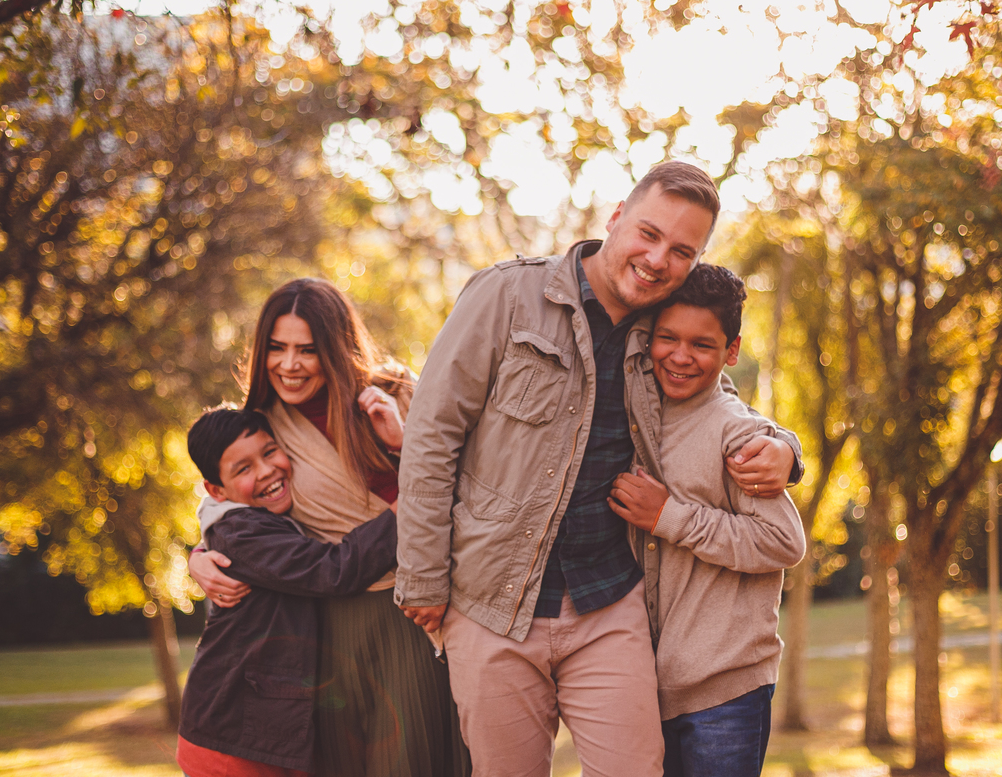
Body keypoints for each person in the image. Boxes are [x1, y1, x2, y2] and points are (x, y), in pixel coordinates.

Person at [394, 161, 802, 777]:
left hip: (608, 602)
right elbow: (432, 434)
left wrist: (786, 450)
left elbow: (716, 400)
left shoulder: (659, 324)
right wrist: (423, 577)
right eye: (649, 234)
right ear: (616, 218)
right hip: (492, 601)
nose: (658, 259)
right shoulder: (507, 295)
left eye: (682, 251)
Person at [188, 279, 468, 777]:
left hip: (419, 609)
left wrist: (403, 444)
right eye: (277, 348)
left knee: (420, 760)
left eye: (307, 349)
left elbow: (468, 482)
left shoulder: (396, 392)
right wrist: (197, 555)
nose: (289, 365)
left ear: (336, 347)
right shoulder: (264, 424)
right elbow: (229, 503)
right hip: (331, 625)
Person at [609, 264, 806, 777]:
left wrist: (669, 517)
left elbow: (783, 541)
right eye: (667, 338)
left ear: (731, 351)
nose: (680, 356)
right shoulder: (633, 418)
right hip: (647, 690)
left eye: (701, 345)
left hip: (726, 691)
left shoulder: (738, 435)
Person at [177, 406, 398, 777]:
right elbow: (334, 570)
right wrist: (401, 512)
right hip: (230, 739)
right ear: (216, 491)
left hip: (264, 732)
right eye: (243, 469)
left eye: (269, 452)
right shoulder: (243, 532)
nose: (266, 471)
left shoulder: (263, 518)